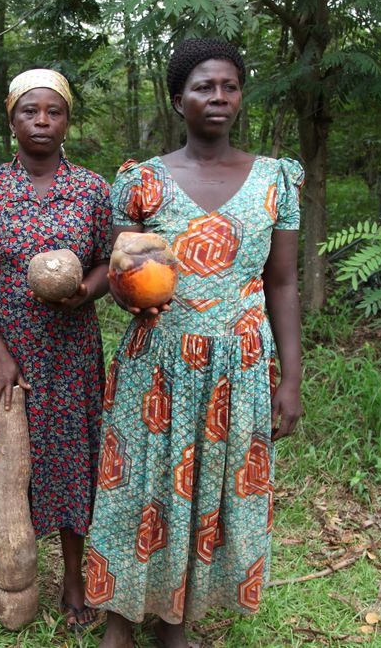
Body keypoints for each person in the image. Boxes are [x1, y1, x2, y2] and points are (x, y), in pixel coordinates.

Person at [85, 38, 305, 648]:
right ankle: (119, 619)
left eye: (228, 86)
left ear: (240, 96)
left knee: (210, 489)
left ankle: (176, 621)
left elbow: (282, 284)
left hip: (239, 363)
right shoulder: (143, 182)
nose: (217, 97)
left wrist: (290, 378)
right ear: (178, 98)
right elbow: (123, 270)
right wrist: (130, 294)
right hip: (157, 360)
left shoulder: (275, 181)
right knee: (139, 488)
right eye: (203, 87)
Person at [0, 69, 111, 630]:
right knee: (10, 463)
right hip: (5, 348)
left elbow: (109, 265)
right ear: (12, 118)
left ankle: (74, 582)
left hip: (70, 349)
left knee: (72, 461)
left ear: (68, 120)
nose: (42, 121)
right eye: (30, 111)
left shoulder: (92, 189)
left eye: (54, 111)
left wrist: (84, 292)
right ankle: (16, 578)